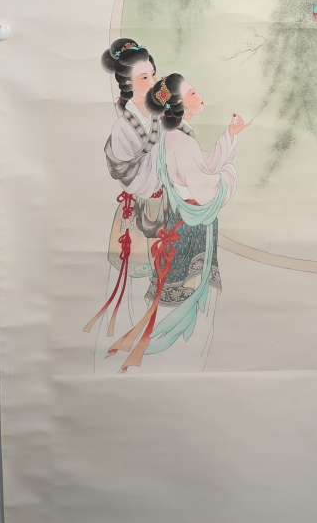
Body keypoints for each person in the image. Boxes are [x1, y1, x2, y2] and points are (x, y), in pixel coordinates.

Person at [106, 73, 251, 373]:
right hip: (189, 228)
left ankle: (149, 357)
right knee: (187, 306)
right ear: (179, 103)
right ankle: (168, 363)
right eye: (193, 93)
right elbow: (204, 186)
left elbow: (203, 165)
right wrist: (229, 176)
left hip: (183, 223)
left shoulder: (177, 136)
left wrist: (229, 135)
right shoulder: (179, 141)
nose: (200, 97)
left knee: (179, 302)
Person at [84, 37, 163, 369]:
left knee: (162, 286)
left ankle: (152, 355)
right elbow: (129, 176)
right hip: (139, 213)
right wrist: (162, 172)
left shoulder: (161, 115)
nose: (152, 81)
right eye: (144, 77)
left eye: (153, 74)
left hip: (166, 208)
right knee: (133, 286)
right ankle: (113, 356)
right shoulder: (123, 126)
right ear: (128, 84)